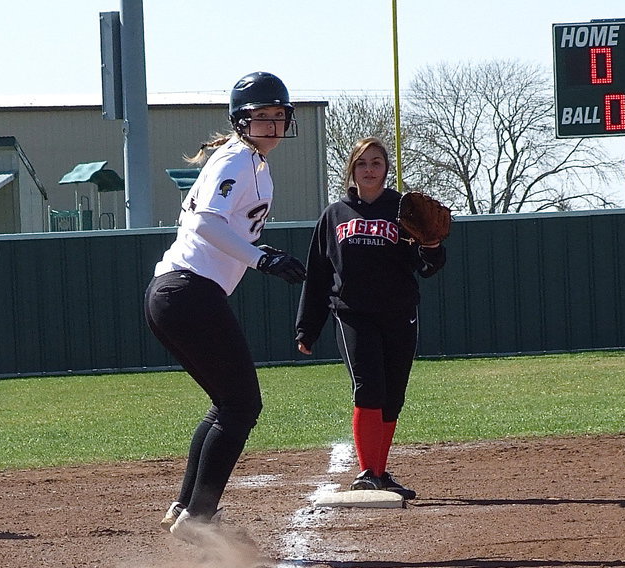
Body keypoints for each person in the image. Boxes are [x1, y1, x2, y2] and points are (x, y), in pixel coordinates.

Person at [145, 71, 305, 540]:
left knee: (228, 405)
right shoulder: (236, 160)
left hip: (181, 293)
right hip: (187, 291)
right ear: (240, 121)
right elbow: (206, 223)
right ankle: (199, 518)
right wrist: (263, 258)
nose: (272, 126)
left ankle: (187, 509)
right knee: (241, 406)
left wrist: (263, 255)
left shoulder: (253, 163)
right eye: (262, 117)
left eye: (279, 116)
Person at [295, 138, 446, 500]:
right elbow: (317, 275)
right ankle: (367, 471)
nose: (369, 169)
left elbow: (428, 267)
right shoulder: (335, 215)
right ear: (352, 169)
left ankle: (379, 472)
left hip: (399, 314)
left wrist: (432, 246)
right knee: (368, 389)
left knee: (393, 396)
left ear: (386, 169)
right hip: (353, 315)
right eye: (362, 163)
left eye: (376, 162)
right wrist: (307, 327)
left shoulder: (403, 210)